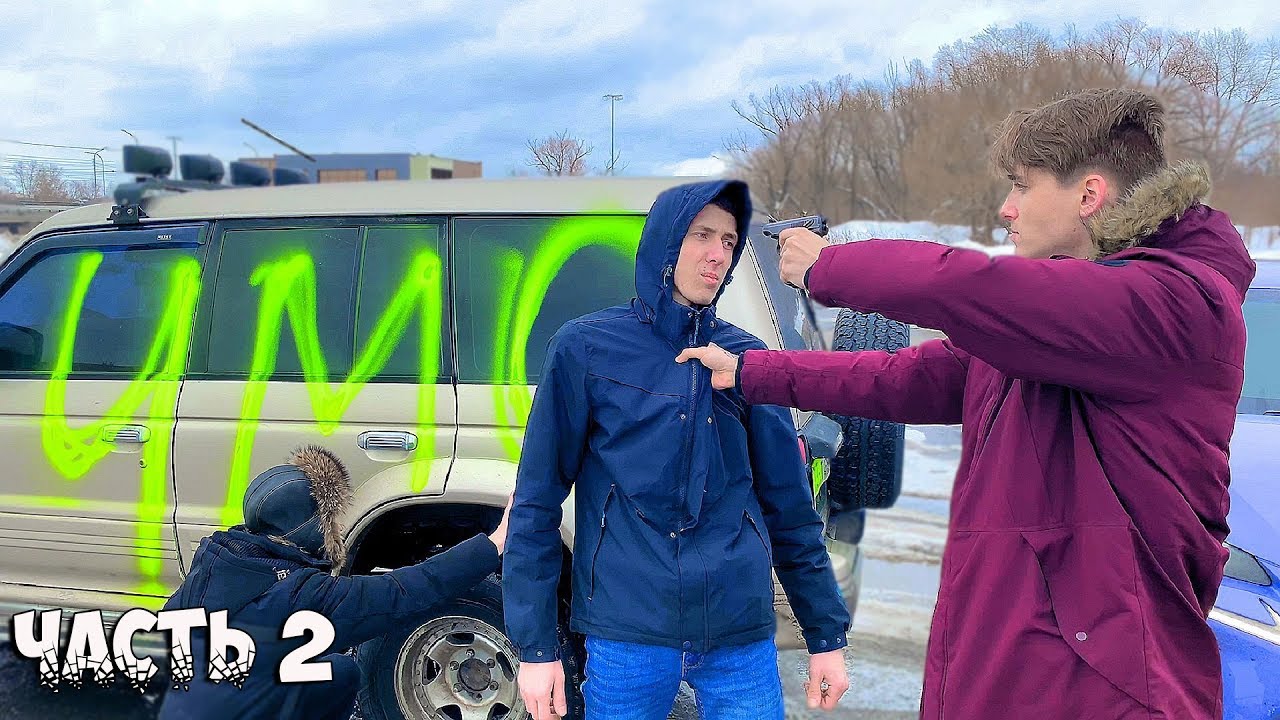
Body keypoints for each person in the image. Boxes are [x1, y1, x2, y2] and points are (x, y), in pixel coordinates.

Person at [679, 88, 1256, 719]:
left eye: (1022, 186)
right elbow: (904, 376)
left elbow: (970, 287)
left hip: (1099, 689)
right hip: (1014, 668)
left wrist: (830, 268)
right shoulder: (1060, 330)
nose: (1006, 208)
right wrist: (751, 370)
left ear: (1089, 195)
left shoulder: (1176, 305)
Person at [502, 179, 851, 720]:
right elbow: (536, 501)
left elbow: (788, 506)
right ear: (666, 241)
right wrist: (535, 647)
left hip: (737, 630)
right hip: (628, 630)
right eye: (701, 235)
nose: (718, 254)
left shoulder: (748, 358)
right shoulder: (585, 348)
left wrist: (825, 634)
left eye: (729, 241)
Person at [159, 445, 512, 719]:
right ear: (313, 529)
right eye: (330, 521)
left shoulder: (216, 560)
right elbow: (402, 591)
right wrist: (493, 543)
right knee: (338, 673)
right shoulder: (299, 594)